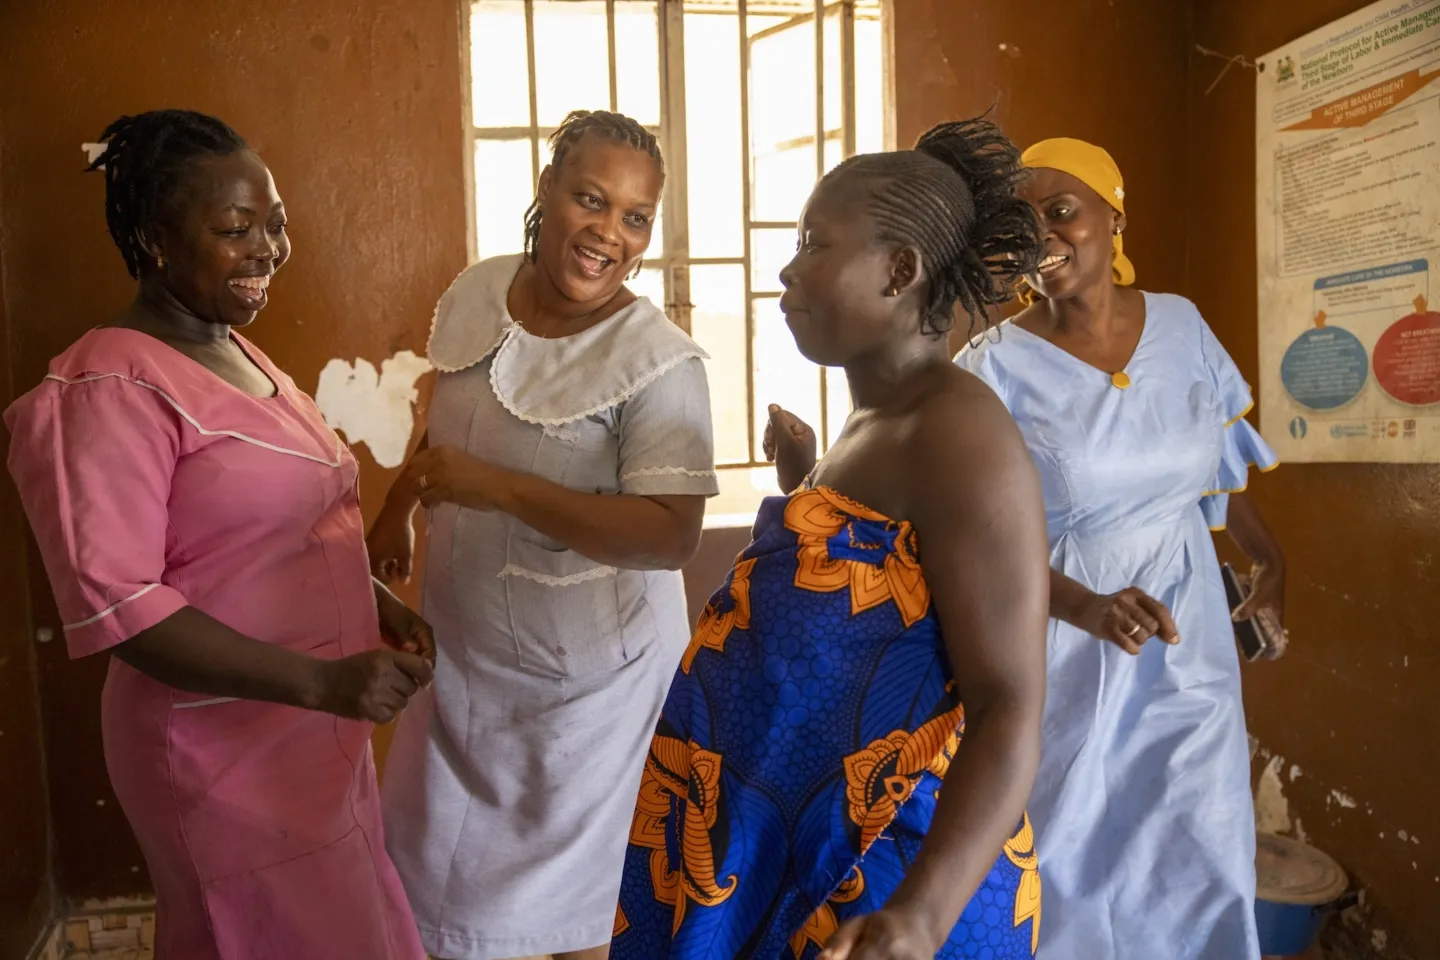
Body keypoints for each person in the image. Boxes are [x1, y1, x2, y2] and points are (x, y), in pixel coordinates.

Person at [610, 117, 1050, 960]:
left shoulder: (959, 433)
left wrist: (921, 917)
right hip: (794, 865)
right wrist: (804, 482)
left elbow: (1009, 704)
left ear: (900, 271)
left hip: (879, 888)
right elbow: (883, 583)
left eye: (814, 243)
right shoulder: (874, 425)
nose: (788, 268)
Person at [4, 110, 433, 959]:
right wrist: (322, 682)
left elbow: (271, 533)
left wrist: (375, 601)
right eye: (236, 229)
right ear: (155, 238)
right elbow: (125, 610)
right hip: (217, 747)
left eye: (275, 224)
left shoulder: (236, 352)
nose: (268, 249)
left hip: (311, 732)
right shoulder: (107, 388)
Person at [367, 110, 718, 960]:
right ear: (546, 186)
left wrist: (501, 491)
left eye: (635, 217)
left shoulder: (658, 362)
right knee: (439, 890)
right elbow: (457, 423)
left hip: (594, 696)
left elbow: (670, 534)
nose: (609, 233)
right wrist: (400, 503)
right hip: (465, 664)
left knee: (581, 913)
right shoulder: (483, 294)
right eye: (590, 199)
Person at [955, 138, 1286, 958]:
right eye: (1022, 221)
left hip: (1185, 626)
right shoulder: (993, 368)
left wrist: (1269, 560)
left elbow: (1217, 462)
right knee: (1068, 843)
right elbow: (970, 540)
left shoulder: (1181, 325)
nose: (1043, 234)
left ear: (1115, 217)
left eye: (1062, 211)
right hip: (1061, 631)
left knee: (1198, 839)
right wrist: (1083, 607)